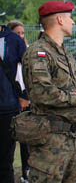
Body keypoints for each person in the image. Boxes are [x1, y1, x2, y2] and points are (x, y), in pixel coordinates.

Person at [22, 0, 76, 182]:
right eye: (70, 18)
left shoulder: (63, 52)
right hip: (50, 145)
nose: (73, 22)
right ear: (60, 20)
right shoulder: (38, 53)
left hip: (75, 139)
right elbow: (42, 92)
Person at [0, 21, 27, 182]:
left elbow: (27, 70)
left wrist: (25, 96)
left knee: (4, 161)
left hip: (6, 108)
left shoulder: (13, 40)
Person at [7, 20, 30, 183]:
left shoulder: (27, 53)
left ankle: (26, 172)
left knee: (26, 141)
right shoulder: (9, 55)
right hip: (12, 101)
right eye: (17, 33)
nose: (21, 36)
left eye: (23, 33)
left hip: (27, 102)